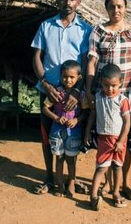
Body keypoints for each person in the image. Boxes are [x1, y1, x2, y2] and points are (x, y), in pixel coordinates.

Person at [31, 0, 92, 195]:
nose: (68, 2)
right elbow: (36, 56)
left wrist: (78, 91)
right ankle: (50, 178)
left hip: (73, 93)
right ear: (57, 1)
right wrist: (45, 84)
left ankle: (71, 180)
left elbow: (86, 62)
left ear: (78, 2)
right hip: (49, 90)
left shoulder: (85, 29)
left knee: (73, 133)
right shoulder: (46, 26)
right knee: (48, 134)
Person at [86, 0, 131, 200]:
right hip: (105, 94)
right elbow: (92, 62)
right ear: (106, 8)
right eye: (112, 6)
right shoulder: (98, 32)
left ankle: (123, 184)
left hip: (129, 93)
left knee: (125, 139)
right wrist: (89, 89)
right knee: (106, 136)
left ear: (125, 7)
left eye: (120, 6)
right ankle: (108, 184)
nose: (116, 10)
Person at [85, 63, 131, 210]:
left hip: (118, 140)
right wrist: (87, 133)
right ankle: (93, 196)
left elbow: (127, 122)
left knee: (117, 167)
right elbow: (92, 116)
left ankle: (116, 192)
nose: (110, 89)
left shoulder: (122, 100)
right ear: (101, 83)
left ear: (120, 83)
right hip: (104, 140)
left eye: (114, 86)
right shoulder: (97, 97)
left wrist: (121, 140)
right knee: (101, 168)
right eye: (106, 85)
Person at [42, 60, 88, 198]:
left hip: (73, 132)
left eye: (72, 77)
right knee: (59, 158)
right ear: (61, 76)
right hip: (57, 131)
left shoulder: (81, 95)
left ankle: (71, 184)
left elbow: (86, 111)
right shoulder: (56, 92)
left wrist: (76, 120)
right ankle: (60, 185)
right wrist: (56, 118)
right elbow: (45, 108)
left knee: (71, 159)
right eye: (65, 77)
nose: (68, 80)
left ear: (79, 77)